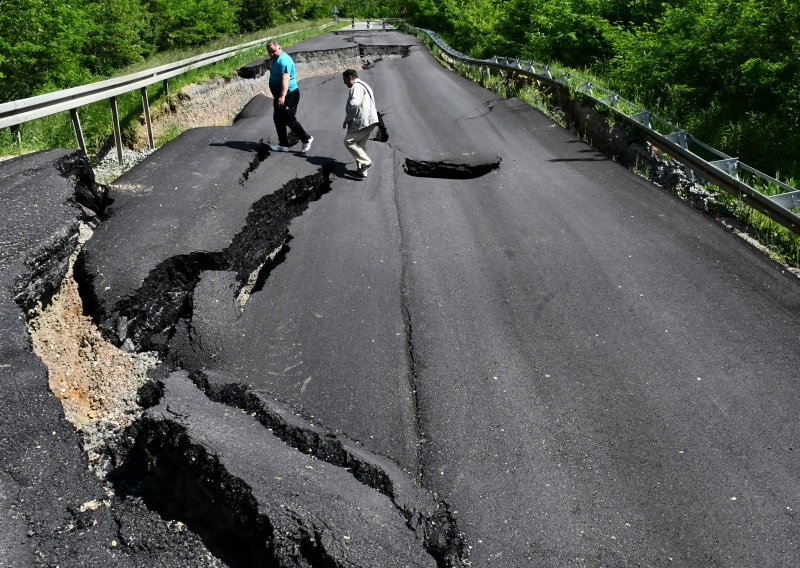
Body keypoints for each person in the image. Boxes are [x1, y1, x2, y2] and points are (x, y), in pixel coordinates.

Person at [265, 40, 313, 153]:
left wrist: (282, 96)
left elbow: (285, 78)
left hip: (289, 94)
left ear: (279, 47)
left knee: (288, 118)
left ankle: (306, 138)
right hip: (280, 95)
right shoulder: (276, 59)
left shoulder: (284, 60)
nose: (271, 54)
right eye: (269, 52)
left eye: (273, 51)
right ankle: (284, 145)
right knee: (277, 118)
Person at [342, 69, 379, 178]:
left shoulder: (356, 86)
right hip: (370, 120)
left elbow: (355, 104)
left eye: (345, 80)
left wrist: (347, 119)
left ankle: (366, 162)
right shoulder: (365, 85)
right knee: (360, 146)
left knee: (348, 141)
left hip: (362, 121)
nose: (344, 83)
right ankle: (362, 172)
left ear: (350, 77)